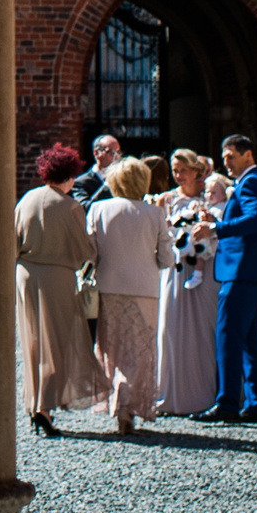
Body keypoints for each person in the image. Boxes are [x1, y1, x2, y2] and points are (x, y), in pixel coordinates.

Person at [14, 142, 102, 435]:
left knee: (32, 342)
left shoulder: (27, 199)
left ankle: (32, 404)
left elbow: (11, 241)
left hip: (25, 274)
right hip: (58, 277)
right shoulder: (70, 206)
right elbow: (84, 252)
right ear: (69, 175)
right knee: (57, 344)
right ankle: (45, 409)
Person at [86, 157, 171, 434]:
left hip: (109, 287)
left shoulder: (98, 208)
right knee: (141, 351)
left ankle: (118, 401)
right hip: (145, 289)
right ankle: (129, 406)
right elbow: (167, 259)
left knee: (113, 349)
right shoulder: (154, 213)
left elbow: (90, 254)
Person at [198, 133, 257, 422]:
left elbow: (255, 220)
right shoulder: (250, 181)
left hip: (244, 270)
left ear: (248, 154)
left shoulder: (252, 181)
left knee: (228, 336)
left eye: (231, 156)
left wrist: (215, 229)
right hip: (251, 269)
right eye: (224, 158)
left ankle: (228, 403)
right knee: (249, 339)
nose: (227, 163)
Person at [154, 150, 219, 416]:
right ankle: (172, 394)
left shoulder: (210, 197)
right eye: (175, 170)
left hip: (204, 268)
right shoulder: (167, 199)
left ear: (195, 171)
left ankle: (207, 394)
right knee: (172, 327)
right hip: (175, 269)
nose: (178, 175)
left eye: (183, 170)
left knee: (205, 329)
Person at [69, 133, 120, 210]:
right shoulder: (80, 183)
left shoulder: (121, 179)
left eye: (118, 153)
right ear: (96, 153)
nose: (116, 157)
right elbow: (85, 208)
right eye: (111, 152)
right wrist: (106, 186)